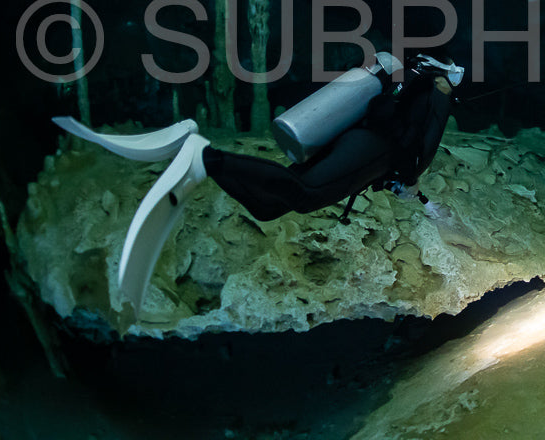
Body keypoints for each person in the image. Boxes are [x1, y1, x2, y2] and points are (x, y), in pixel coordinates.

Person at [52, 52, 463, 315]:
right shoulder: (438, 92)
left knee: (273, 205)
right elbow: (418, 150)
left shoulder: (415, 84)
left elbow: (404, 130)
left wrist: (396, 180)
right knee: (303, 195)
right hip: (372, 150)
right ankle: (204, 156)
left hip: (364, 146)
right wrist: (408, 181)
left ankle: (202, 164)